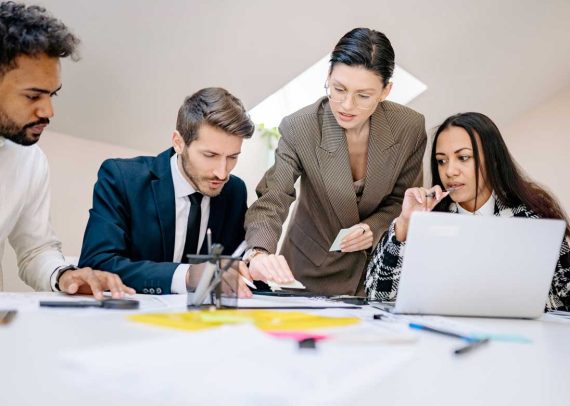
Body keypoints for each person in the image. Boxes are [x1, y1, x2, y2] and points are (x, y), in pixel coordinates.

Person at [244, 28, 427, 296]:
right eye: (338, 89)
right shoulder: (300, 128)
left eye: (363, 95)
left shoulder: (409, 127)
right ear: (328, 77)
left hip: (376, 273)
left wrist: (373, 227)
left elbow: (404, 200)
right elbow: (273, 198)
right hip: (306, 273)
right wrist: (258, 253)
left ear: (386, 91)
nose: (346, 105)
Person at [365, 112, 570, 311]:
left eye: (463, 157)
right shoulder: (429, 220)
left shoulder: (532, 217)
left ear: (494, 160)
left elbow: (564, 296)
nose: (450, 171)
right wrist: (405, 223)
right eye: (441, 161)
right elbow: (378, 296)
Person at [0, 1, 134, 299]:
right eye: (33, 95)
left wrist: (64, 275)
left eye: (52, 94)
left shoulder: (28, 159)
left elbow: (36, 249)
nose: (48, 111)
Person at [79, 87, 255, 296]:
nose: (222, 172)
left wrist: (253, 267)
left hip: (205, 324)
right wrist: (186, 276)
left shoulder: (234, 191)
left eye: (233, 157)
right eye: (210, 155)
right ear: (178, 143)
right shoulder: (122, 179)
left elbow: (234, 268)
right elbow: (97, 263)